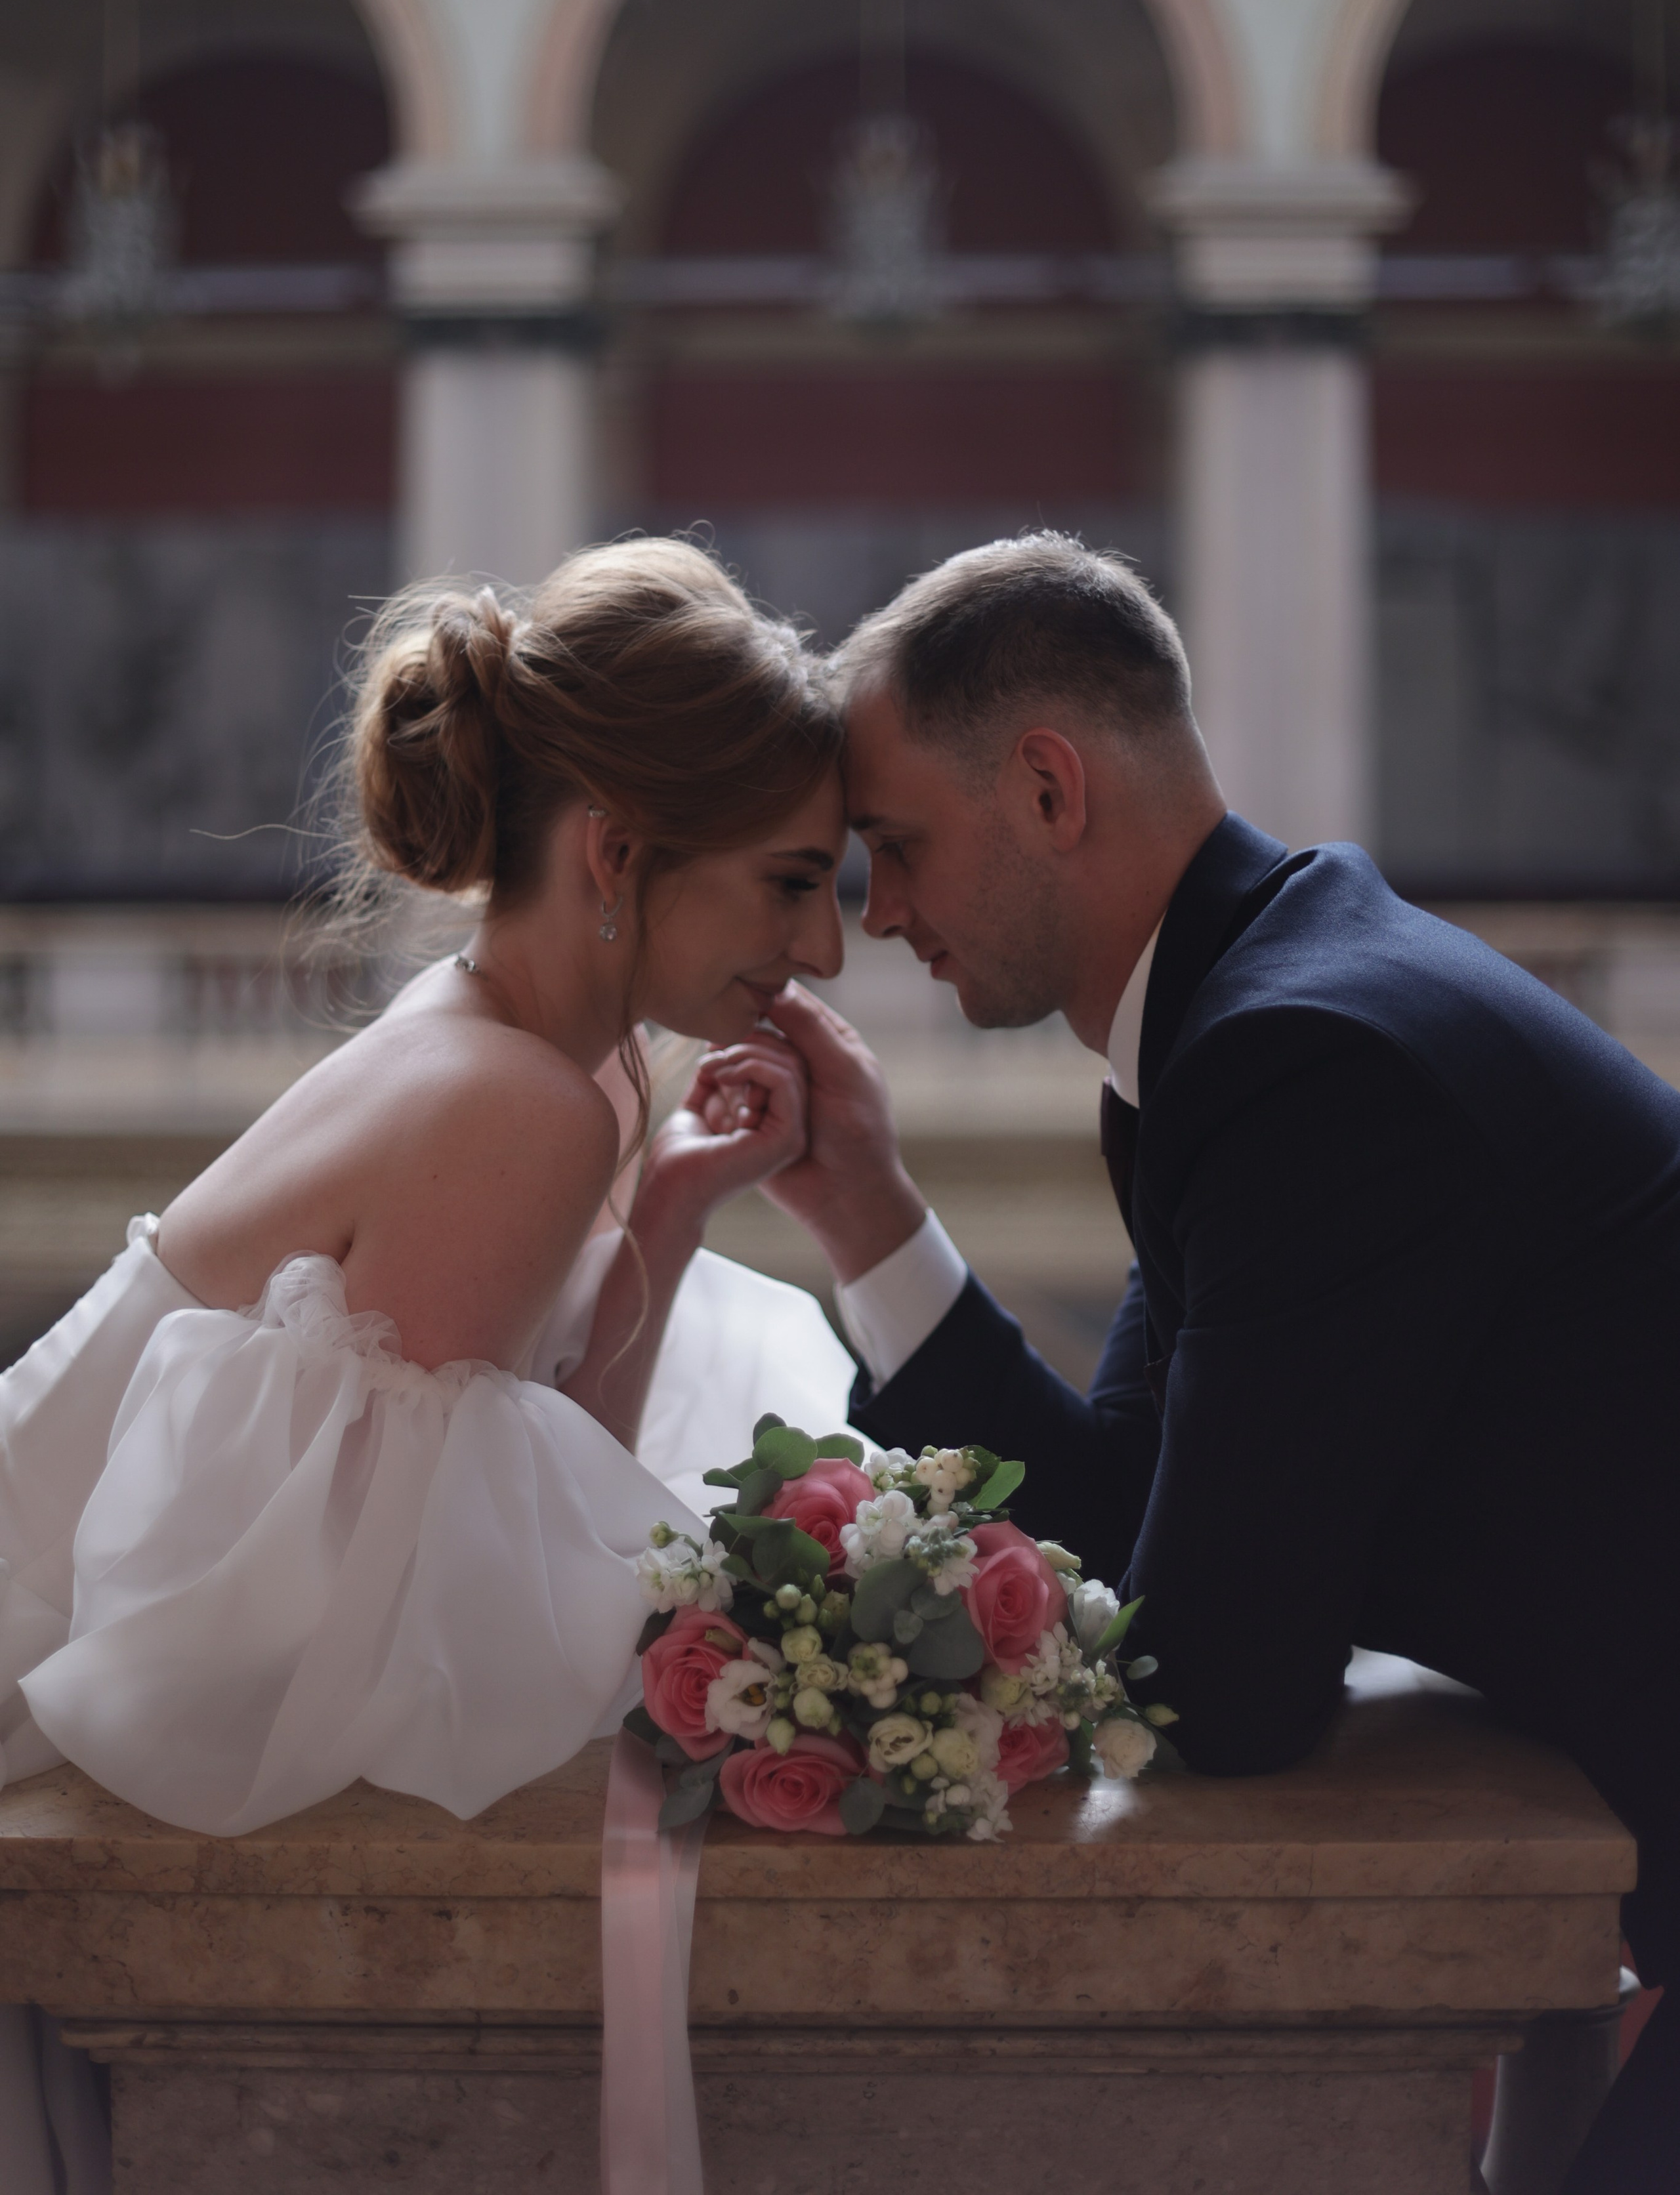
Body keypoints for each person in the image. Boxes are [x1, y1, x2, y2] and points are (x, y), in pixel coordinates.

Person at [698, 532, 1680, 2195]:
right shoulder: (1251, 1015)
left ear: (1046, 790)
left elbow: (1216, 1688)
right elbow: (1128, 1513)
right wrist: (865, 1215)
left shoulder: (1302, 1062)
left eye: (894, 850)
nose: (881, 923)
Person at [0, 537, 858, 1850]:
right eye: (791, 884)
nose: (824, 951)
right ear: (617, 851)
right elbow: (430, 1646)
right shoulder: (519, 1102)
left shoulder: (571, 1066)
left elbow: (535, 1475)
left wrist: (669, 1215)